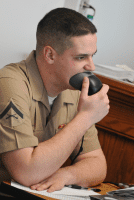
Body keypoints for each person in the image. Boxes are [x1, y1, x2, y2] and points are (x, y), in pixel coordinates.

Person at [0, 7, 110, 193]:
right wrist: (85, 118)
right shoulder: (11, 83)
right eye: (81, 57)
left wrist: (67, 175)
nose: (91, 66)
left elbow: (97, 165)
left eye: (93, 56)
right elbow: (26, 172)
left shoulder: (75, 90)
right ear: (50, 55)